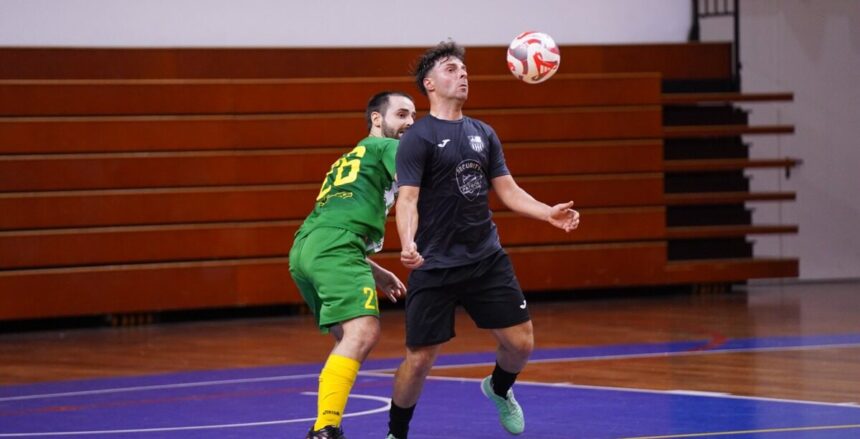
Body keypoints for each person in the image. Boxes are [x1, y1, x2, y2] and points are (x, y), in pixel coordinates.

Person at [385, 41, 580, 439]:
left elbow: (508, 190)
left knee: (520, 345)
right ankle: (396, 433)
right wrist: (407, 242)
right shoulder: (418, 137)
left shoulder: (483, 133)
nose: (462, 74)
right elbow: (407, 199)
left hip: (485, 259)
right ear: (429, 83)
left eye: (464, 69)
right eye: (451, 69)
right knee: (419, 361)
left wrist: (548, 212)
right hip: (434, 264)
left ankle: (499, 388)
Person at [289, 91, 416, 439]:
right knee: (363, 332)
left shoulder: (351, 157)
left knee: (347, 337)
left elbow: (335, 219)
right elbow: (414, 191)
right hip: (337, 247)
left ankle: (326, 423)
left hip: (307, 247)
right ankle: (325, 429)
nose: (409, 123)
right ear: (376, 119)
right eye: (401, 115)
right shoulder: (388, 147)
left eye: (413, 117)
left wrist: (373, 269)